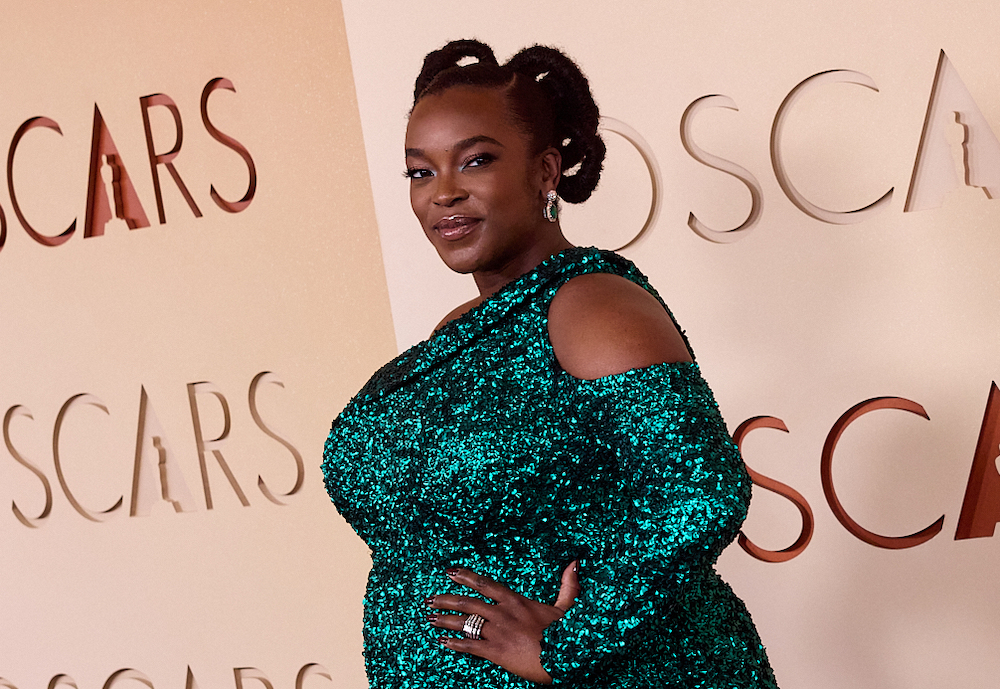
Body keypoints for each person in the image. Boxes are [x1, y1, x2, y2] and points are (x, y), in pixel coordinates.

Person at [322, 39, 779, 688]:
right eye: (420, 172)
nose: (443, 194)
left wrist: (568, 644)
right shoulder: (459, 332)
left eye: (474, 161)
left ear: (544, 170)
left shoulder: (587, 305)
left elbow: (699, 490)